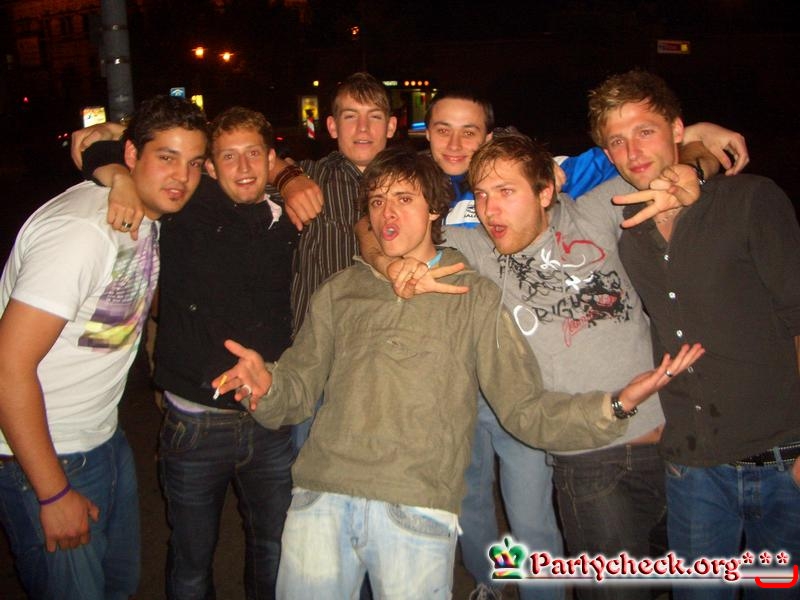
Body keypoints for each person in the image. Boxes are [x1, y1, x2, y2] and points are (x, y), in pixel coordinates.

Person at [211, 146, 704, 600]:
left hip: (416, 508)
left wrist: (614, 404)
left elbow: (523, 408)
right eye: (378, 201)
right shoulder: (340, 291)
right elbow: (297, 391)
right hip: (320, 499)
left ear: (434, 210)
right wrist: (267, 385)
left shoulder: (476, 295)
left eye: (404, 199)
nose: (387, 213)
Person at [409, 89, 749, 599]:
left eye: (505, 192)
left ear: (546, 191)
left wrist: (698, 149)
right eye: (481, 195)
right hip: (590, 459)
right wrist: (397, 265)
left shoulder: (594, 209)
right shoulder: (475, 246)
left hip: (681, 444)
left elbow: (652, 163)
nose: (489, 209)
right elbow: (389, 236)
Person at [586, 69, 800, 599]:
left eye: (645, 131)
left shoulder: (751, 201)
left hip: (783, 459)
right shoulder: (626, 229)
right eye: (617, 141)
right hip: (693, 466)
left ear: (678, 130)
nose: (633, 151)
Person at [79, 107, 297, 599]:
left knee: (274, 550)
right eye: (228, 157)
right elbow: (90, 144)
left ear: (272, 160)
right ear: (211, 167)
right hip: (195, 426)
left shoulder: (288, 220)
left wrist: (294, 178)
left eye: (254, 154)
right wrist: (118, 174)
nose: (244, 167)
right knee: (192, 561)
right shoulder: (185, 209)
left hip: (270, 420)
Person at [0, 95, 208, 600]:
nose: (182, 176)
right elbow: (7, 365)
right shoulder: (82, 233)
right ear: (133, 155)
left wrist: (114, 163)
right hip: (46, 454)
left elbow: (97, 137)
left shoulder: (144, 215)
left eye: (193, 163)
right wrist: (52, 491)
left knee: (117, 586)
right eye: (167, 157)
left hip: (102, 438)